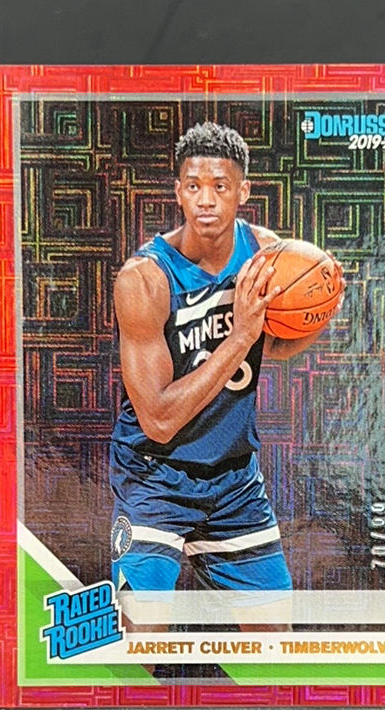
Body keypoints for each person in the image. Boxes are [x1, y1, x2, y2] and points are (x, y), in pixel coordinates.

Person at [108, 122, 342, 623]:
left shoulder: (266, 256)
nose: (206, 200)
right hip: (154, 474)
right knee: (140, 632)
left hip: (233, 479)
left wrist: (322, 308)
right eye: (194, 186)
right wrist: (239, 335)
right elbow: (159, 421)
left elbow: (274, 344)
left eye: (220, 186)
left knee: (273, 635)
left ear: (243, 191)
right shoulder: (144, 279)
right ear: (178, 192)